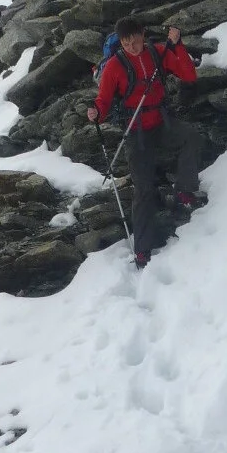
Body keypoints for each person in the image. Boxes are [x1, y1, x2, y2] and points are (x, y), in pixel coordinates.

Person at [86, 17, 201, 268]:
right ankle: (142, 249)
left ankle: (183, 190)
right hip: (135, 131)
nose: (133, 47)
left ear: (143, 34)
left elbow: (188, 74)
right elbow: (104, 100)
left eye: (136, 41)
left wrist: (178, 45)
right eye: (127, 44)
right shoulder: (115, 66)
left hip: (161, 121)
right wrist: (95, 110)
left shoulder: (158, 53)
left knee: (190, 137)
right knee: (143, 189)